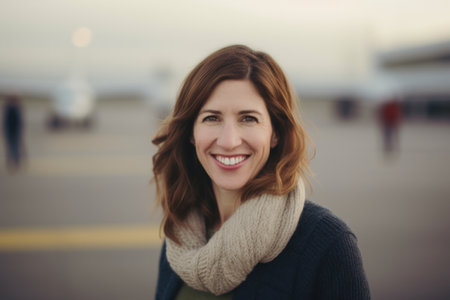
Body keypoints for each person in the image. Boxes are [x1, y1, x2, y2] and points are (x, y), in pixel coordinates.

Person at [152, 45, 370, 299]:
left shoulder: (327, 244)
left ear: (275, 132)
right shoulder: (180, 238)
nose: (229, 141)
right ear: (191, 132)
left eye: (248, 119)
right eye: (212, 118)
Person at [2, 94, 25, 172]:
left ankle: (16, 162)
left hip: (15, 131)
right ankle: (10, 162)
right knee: (10, 147)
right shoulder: (8, 108)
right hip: (9, 131)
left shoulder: (16, 108)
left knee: (15, 147)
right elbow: (4, 121)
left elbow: (19, 121)